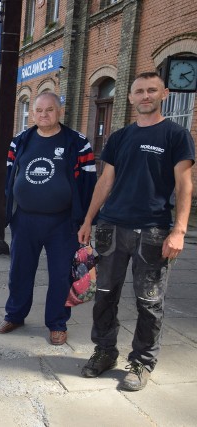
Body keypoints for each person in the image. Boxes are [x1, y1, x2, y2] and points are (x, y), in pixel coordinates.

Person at [78, 72, 195, 391]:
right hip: (111, 227)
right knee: (103, 295)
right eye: (139, 91)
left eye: (151, 90)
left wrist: (179, 230)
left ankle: (142, 362)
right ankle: (104, 352)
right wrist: (89, 219)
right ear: (130, 97)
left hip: (154, 231)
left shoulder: (176, 135)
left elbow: (185, 184)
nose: (145, 95)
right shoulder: (119, 137)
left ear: (164, 94)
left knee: (149, 301)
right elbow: (106, 181)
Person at [0, 91, 97, 345]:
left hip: (63, 223)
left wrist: (85, 222)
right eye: (38, 110)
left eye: (49, 110)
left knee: (61, 274)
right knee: (19, 271)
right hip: (26, 220)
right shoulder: (20, 141)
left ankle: (57, 323)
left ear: (59, 111)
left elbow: (88, 184)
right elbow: (10, 177)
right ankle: (15, 315)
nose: (43, 115)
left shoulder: (78, 142)